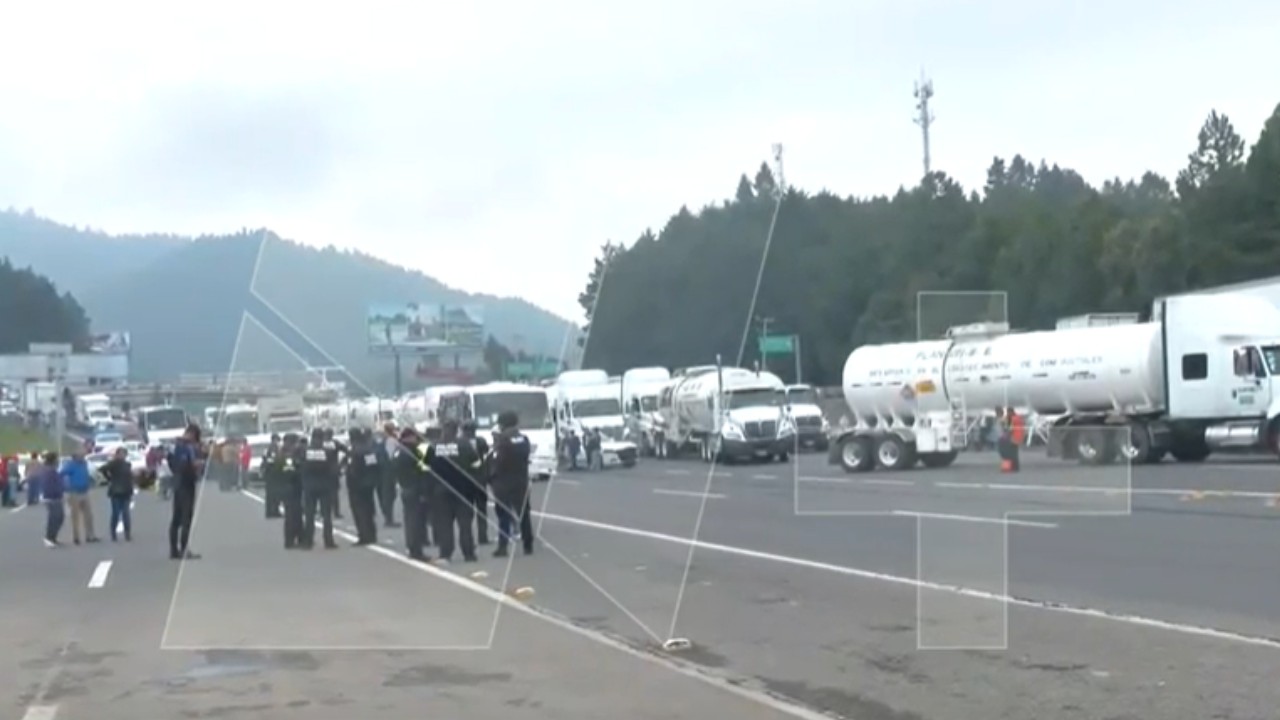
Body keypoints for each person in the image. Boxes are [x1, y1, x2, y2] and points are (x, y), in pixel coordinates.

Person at [425, 419, 478, 563]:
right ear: (457, 430)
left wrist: (428, 491)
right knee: (465, 525)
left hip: (440, 491)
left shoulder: (434, 446)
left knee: (444, 525)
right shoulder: (465, 445)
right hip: (463, 490)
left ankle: (445, 554)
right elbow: (476, 465)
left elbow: (426, 470)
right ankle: (469, 554)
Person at [491, 411, 534, 557]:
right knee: (524, 514)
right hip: (521, 480)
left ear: (502, 424)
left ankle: (503, 547)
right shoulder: (524, 439)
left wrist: (491, 476)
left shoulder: (502, 440)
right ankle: (528, 545)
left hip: (504, 482)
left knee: (504, 515)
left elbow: (498, 461)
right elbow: (526, 457)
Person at [395, 427, 434, 562]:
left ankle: (412, 547)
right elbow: (423, 470)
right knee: (415, 522)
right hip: (415, 489)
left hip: (405, 488)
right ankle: (416, 550)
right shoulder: (412, 452)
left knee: (410, 520)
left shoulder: (399, 451)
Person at [167, 424, 204, 560]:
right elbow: (185, 465)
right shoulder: (185, 446)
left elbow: (171, 463)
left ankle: (173, 550)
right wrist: (195, 465)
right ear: (192, 434)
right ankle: (183, 549)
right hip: (186, 484)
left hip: (177, 483)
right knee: (186, 518)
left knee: (176, 519)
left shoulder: (174, 445)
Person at [300, 429, 339, 550]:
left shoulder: (305, 452)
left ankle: (308, 541)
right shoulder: (328, 452)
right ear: (322, 438)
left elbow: (300, 467)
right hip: (325, 485)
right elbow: (334, 470)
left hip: (309, 486)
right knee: (326, 515)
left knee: (309, 514)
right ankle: (328, 540)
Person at [345, 428, 379, 546]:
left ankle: (364, 535)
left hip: (356, 486)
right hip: (368, 484)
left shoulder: (354, 451)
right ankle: (372, 534)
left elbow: (352, 469)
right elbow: (373, 465)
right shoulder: (368, 449)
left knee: (359, 512)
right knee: (369, 510)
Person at [462, 420, 491, 545]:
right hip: (479, 478)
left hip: (465, 479)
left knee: (466, 512)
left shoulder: (460, 443)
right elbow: (486, 452)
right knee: (482, 510)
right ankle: (482, 537)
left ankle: (468, 538)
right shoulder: (480, 441)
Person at [61, 452, 98, 545]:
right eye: (80, 456)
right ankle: (76, 537)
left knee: (88, 515)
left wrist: (90, 481)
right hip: (74, 492)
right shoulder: (70, 465)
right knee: (75, 516)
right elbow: (61, 474)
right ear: (74, 457)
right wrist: (66, 486)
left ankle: (90, 535)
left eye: (82, 456)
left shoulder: (84, 464)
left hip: (84, 491)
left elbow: (86, 474)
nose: (82, 457)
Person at [100, 446, 134, 542]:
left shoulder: (128, 464)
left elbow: (129, 478)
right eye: (121, 454)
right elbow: (102, 469)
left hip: (126, 491)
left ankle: (127, 533)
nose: (122, 456)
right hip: (116, 491)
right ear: (117, 454)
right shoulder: (113, 464)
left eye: (124, 454)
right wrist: (109, 478)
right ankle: (113, 532)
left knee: (126, 513)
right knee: (115, 513)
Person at [281, 434, 305, 549]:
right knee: (291, 515)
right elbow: (289, 472)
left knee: (297, 514)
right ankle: (290, 540)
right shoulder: (288, 456)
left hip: (291, 487)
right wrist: (299, 470)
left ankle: (299, 537)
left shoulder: (288, 454)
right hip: (290, 487)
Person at [377, 423, 400, 527]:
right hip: (389, 470)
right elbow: (391, 456)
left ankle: (388, 517)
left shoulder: (382, 440)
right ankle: (389, 519)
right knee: (390, 494)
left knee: (387, 494)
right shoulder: (391, 441)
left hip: (382, 471)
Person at [40, 453, 65, 548]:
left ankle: (53, 537)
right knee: (54, 518)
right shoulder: (48, 471)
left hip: (57, 497)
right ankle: (49, 537)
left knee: (59, 517)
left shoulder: (53, 470)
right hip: (51, 497)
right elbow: (47, 485)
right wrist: (56, 492)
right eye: (57, 460)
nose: (58, 462)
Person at [262, 434, 283, 518]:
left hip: (269, 473)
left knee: (270, 494)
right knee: (274, 494)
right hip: (273, 473)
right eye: (277, 440)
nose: (278, 442)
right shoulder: (273, 448)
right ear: (274, 440)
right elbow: (273, 460)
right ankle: (274, 511)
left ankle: (270, 511)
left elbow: (265, 459)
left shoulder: (268, 448)